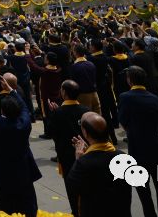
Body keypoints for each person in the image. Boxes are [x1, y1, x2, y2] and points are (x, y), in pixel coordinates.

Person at [0, 73, 41, 215]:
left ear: (2, 111)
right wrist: (12, 91)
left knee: (6, 203)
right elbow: (24, 106)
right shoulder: (24, 123)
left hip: (2, 170)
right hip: (23, 168)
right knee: (28, 201)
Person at [117, 67, 158, 217]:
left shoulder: (125, 97)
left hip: (137, 150)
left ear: (130, 80)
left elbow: (123, 120)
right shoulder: (154, 98)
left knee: (144, 193)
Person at [66, 112, 132, 217]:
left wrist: (78, 158)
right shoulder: (123, 157)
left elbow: (72, 187)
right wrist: (89, 152)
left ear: (85, 133)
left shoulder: (84, 163)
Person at [48, 80, 90, 215]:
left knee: (72, 188)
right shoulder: (85, 110)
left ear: (64, 93)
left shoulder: (58, 112)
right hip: (86, 154)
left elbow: (52, 133)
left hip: (66, 156)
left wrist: (53, 113)